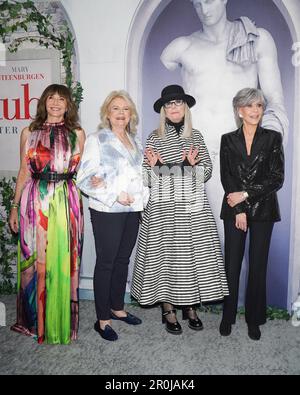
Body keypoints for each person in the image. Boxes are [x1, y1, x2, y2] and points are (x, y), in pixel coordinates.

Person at [161, 0, 288, 234]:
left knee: (228, 236)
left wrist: (265, 147)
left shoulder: (255, 40)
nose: (204, 10)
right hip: (193, 152)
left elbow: (275, 100)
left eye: (209, 1)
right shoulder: (181, 47)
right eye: (197, 4)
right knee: (188, 238)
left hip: (236, 154)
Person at [131, 85, 229, 335]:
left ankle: (190, 307)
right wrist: (182, 168)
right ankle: (168, 308)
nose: (174, 108)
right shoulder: (154, 137)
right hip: (163, 209)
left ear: (185, 107)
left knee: (190, 259)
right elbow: (146, 176)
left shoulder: (195, 136)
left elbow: (205, 172)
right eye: (169, 104)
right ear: (164, 110)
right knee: (167, 257)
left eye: (178, 103)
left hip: (193, 208)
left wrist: (167, 169)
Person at [9, 84, 85, 345]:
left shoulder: (77, 133)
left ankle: (59, 321)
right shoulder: (28, 132)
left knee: (62, 262)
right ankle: (34, 322)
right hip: (33, 200)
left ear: (68, 105)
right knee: (35, 263)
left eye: (61, 99)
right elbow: (23, 171)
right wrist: (14, 207)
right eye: (51, 98)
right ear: (44, 102)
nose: (55, 103)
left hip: (65, 199)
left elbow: (84, 171)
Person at [76, 90, 148, 342]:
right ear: (107, 113)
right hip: (107, 210)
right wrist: (115, 194)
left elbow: (140, 177)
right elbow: (84, 178)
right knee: (106, 262)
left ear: (131, 115)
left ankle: (117, 308)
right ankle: (102, 319)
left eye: (125, 109)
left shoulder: (135, 141)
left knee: (122, 260)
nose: (121, 113)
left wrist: (142, 197)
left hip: (132, 210)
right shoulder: (97, 139)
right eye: (115, 108)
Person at [219, 88, 284, 341]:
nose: (255, 110)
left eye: (259, 105)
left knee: (258, 266)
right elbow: (227, 177)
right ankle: (228, 316)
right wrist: (239, 210)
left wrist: (245, 197)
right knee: (231, 265)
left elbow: (276, 178)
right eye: (250, 106)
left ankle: (254, 319)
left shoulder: (273, 138)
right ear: (239, 110)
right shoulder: (228, 139)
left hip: (264, 210)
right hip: (234, 210)